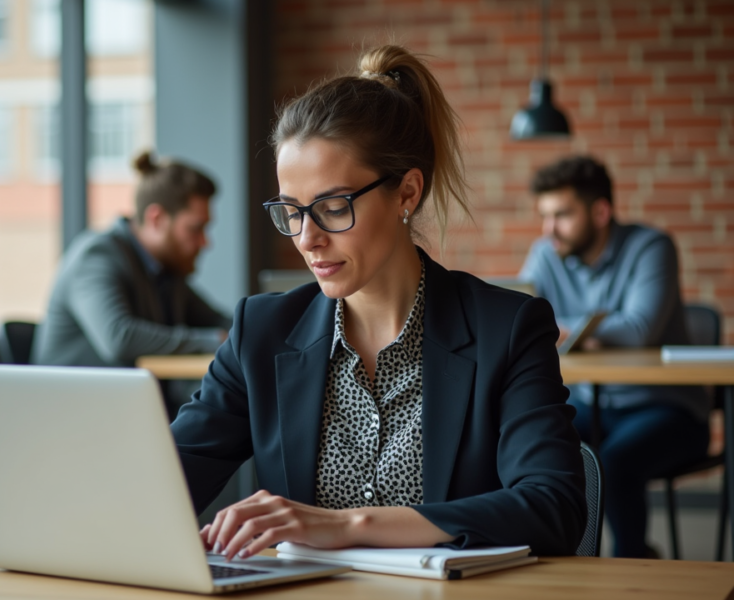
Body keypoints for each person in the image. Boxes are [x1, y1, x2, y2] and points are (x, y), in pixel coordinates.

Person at [170, 45, 586, 560]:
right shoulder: (262, 331)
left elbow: (553, 508)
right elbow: (157, 486)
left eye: (332, 207)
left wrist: (348, 525)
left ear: (407, 193)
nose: (307, 238)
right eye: (292, 211)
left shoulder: (508, 327)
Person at [519, 155, 709, 558]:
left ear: (601, 211)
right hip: (590, 402)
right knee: (533, 443)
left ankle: (633, 562)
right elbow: (521, 322)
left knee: (613, 462)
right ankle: (555, 562)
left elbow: (639, 329)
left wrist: (564, 328)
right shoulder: (545, 252)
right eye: (545, 216)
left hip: (667, 407)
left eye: (562, 215)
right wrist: (591, 331)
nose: (548, 229)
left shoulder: (651, 246)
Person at [32, 152, 232, 417]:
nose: (205, 243)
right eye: (195, 230)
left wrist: (258, 330)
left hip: (123, 414)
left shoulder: (165, 272)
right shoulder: (96, 257)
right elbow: (118, 337)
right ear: (156, 219)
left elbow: (217, 320)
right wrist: (212, 340)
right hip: (71, 419)